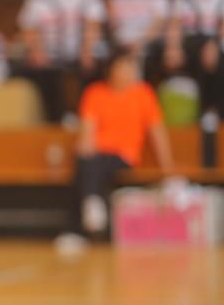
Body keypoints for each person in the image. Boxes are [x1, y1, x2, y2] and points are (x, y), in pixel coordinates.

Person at [73, 48, 174, 239]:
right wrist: (85, 144)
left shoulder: (143, 93)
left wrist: (167, 168)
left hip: (123, 156)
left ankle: (81, 222)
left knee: (88, 166)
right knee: (85, 160)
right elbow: (87, 129)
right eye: (122, 67)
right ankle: (92, 209)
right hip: (95, 155)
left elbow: (157, 132)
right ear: (111, 70)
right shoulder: (95, 93)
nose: (127, 71)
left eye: (130, 67)